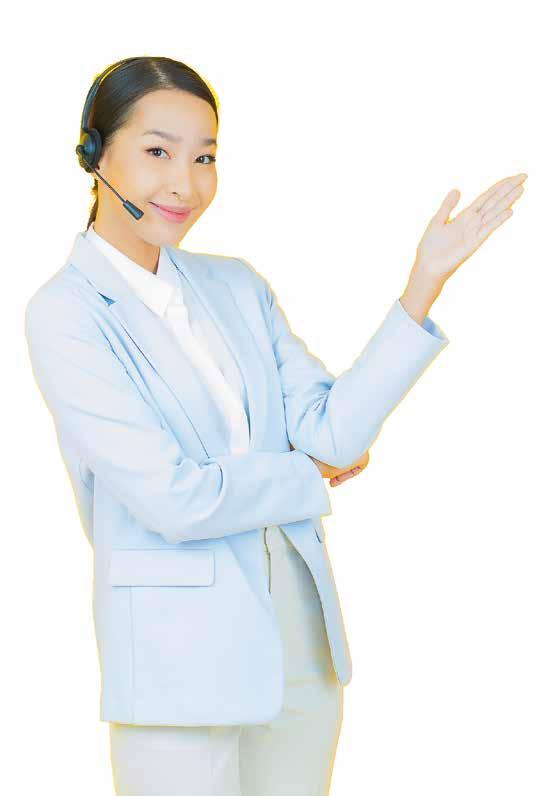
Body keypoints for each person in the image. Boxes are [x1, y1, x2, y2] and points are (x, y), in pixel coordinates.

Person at [24, 55, 526, 796]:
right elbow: (173, 498)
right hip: (174, 664)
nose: (185, 184)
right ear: (94, 154)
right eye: (157, 151)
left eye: (205, 158)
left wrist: (422, 286)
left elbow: (334, 438)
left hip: (298, 650)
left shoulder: (237, 285)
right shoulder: (65, 314)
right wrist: (304, 473)